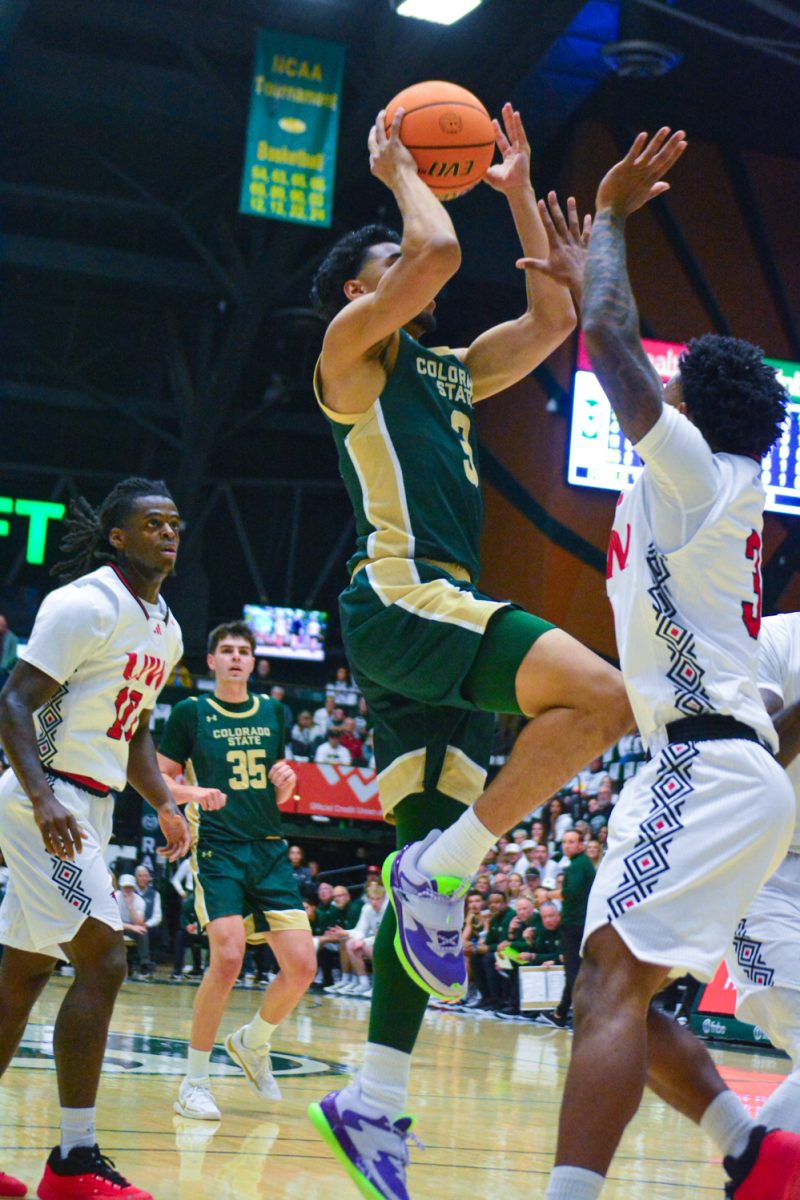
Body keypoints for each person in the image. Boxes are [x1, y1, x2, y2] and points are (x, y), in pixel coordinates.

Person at [306, 100, 631, 1198]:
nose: (423, 269)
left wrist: (516, 197)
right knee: (602, 699)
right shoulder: (348, 350)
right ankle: (442, 869)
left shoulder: (442, 371)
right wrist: (404, 169)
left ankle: (374, 1100)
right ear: (364, 290)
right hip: (405, 603)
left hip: (426, 629)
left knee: (426, 858)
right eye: (393, 263)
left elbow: (547, 324)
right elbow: (434, 252)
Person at [525, 130, 800, 1200]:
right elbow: (591, 324)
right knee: (611, 995)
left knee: (608, 995)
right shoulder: (701, 486)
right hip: (705, 766)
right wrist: (574, 265)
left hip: (704, 765)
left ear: (688, 405)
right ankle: (749, 1150)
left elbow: (607, 332)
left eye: (666, 383)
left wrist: (611, 218)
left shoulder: (696, 472)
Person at [0, 476, 189, 1200]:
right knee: (105, 959)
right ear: (118, 536)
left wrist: (165, 804)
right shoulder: (84, 604)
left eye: (174, 523)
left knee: (22, 973)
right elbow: (13, 704)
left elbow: (135, 734)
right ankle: (73, 1163)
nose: (168, 533)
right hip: (45, 799)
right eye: (152, 523)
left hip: (94, 804)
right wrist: (46, 800)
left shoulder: (166, 629)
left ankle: (70, 1162)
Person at [156, 621, 316, 1121]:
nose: (235, 658)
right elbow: (159, 780)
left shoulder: (274, 712)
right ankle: (194, 1082)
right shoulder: (190, 712)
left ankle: (252, 1042)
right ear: (211, 660)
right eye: (225, 650)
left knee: (303, 966)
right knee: (226, 959)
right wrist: (193, 794)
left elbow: (280, 792)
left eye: (243, 651)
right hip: (218, 848)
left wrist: (287, 782)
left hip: (268, 849)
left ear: (253, 662)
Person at [724, 612, 800, 1136]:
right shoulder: (773, 637)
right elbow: (753, 755)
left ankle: (761, 1174)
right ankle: (757, 1175)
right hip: (763, 868)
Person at [545, 830, 594, 1028]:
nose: (567, 845)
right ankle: (561, 1013)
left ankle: (577, 1016)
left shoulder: (577, 865)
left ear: (581, 844)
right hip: (584, 923)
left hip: (574, 924)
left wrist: (548, 895)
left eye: (572, 842)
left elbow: (570, 892)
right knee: (576, 971)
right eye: (565, 842)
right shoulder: (583, 864)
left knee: (573, 972)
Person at [116, 874, 150, 977]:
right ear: (121, 887)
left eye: (130, 887)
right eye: (125, 887)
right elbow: (112, 921)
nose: (127, 890)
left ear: (134, 888)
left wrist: (130, 907)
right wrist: (130, 927)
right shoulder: (114, 897)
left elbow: (139, 923)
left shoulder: (139, 901)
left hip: (131, 926)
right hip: (116, 926)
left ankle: (145, 964)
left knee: (142, 932)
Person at [135, 863, 162, 965]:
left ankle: (146, 963)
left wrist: (146, 924)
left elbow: (157, 916)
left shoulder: (155, 894)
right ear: (136, 877)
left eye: (145, 876)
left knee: (153, 932)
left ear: (149, 878)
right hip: (131, 925)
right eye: (140, 876)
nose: (142, 878)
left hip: (147, 925)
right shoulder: (129, 891)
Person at [0, 615, 18, 688]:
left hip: (4, 672)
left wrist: (2, 667)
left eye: (2, 624)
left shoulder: (12, 638)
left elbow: (12, 656)